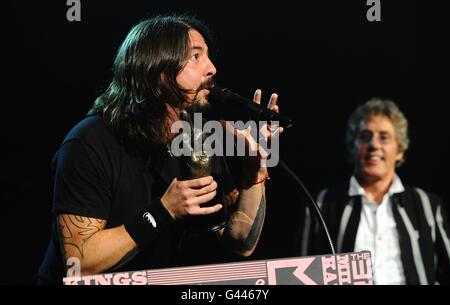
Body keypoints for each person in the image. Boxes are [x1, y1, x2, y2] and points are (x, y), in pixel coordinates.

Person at [38, 14, 282, 284]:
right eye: (195, 57)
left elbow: (240, 241)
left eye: (208, 57)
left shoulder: (198, 137)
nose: (212, 68)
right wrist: (164, 210)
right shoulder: (89, 142)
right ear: (160, 71)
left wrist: (254, 167)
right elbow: (79, 265)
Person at [302, 98, 450, 284]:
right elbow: (304, 274)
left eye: (384, 137)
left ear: (400, 150)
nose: (374, 145)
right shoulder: (323, 204)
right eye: (365, 136)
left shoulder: (427, 205)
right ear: (353, 146)